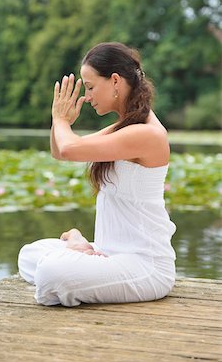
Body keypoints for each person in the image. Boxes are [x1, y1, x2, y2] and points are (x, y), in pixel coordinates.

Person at [18, 42, 176, 307]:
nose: (87, 96)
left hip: (145, 266)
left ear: (115, 81)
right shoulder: (126, 127)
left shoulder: (147, 133)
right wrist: (59, 122)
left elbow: (69, 148)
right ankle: (80, 248)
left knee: (50, 273)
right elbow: (60, 151)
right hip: (107, 254)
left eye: (90, 87)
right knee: (29, 254)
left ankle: (77, 250)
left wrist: (61, 121)